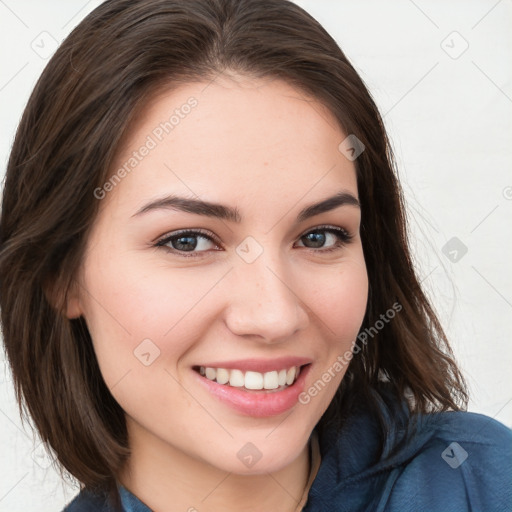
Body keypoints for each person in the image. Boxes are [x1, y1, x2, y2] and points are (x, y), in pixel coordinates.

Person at [0, 0, 510, 511]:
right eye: (188, 241)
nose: (274, 315)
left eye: (319, 237)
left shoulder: (480, 483)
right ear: (60, 272)